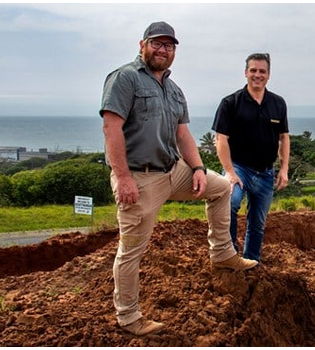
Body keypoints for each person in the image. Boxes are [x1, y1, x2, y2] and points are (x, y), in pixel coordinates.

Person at [100, 21, 258, 337]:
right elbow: (111, 128)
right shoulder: (125, 78)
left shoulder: (173, 89)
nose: (163, 50)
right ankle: (129, 317)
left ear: (175, 51)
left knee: (222, 187)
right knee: (131, 250)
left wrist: (198, 169)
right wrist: (123, 177)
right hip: (140, 178)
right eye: (157, 43)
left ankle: (222, 253)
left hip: (173, 171)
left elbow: (182, 134)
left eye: (169, 46)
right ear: (142, 44)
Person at [211, 52, 290, 263]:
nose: (257, 75)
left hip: (265, 173)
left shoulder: (278, 103)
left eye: (262, 71)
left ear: (268, 75)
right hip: (238, 169)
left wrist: (284, 169)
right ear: (246, 72)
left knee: (257, 223)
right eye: (253, 70)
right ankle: (229, 255)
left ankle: (252, 262)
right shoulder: (230, 103)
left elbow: (284, 137)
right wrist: (229, 172)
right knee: (230, 203)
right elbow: (221, 139)